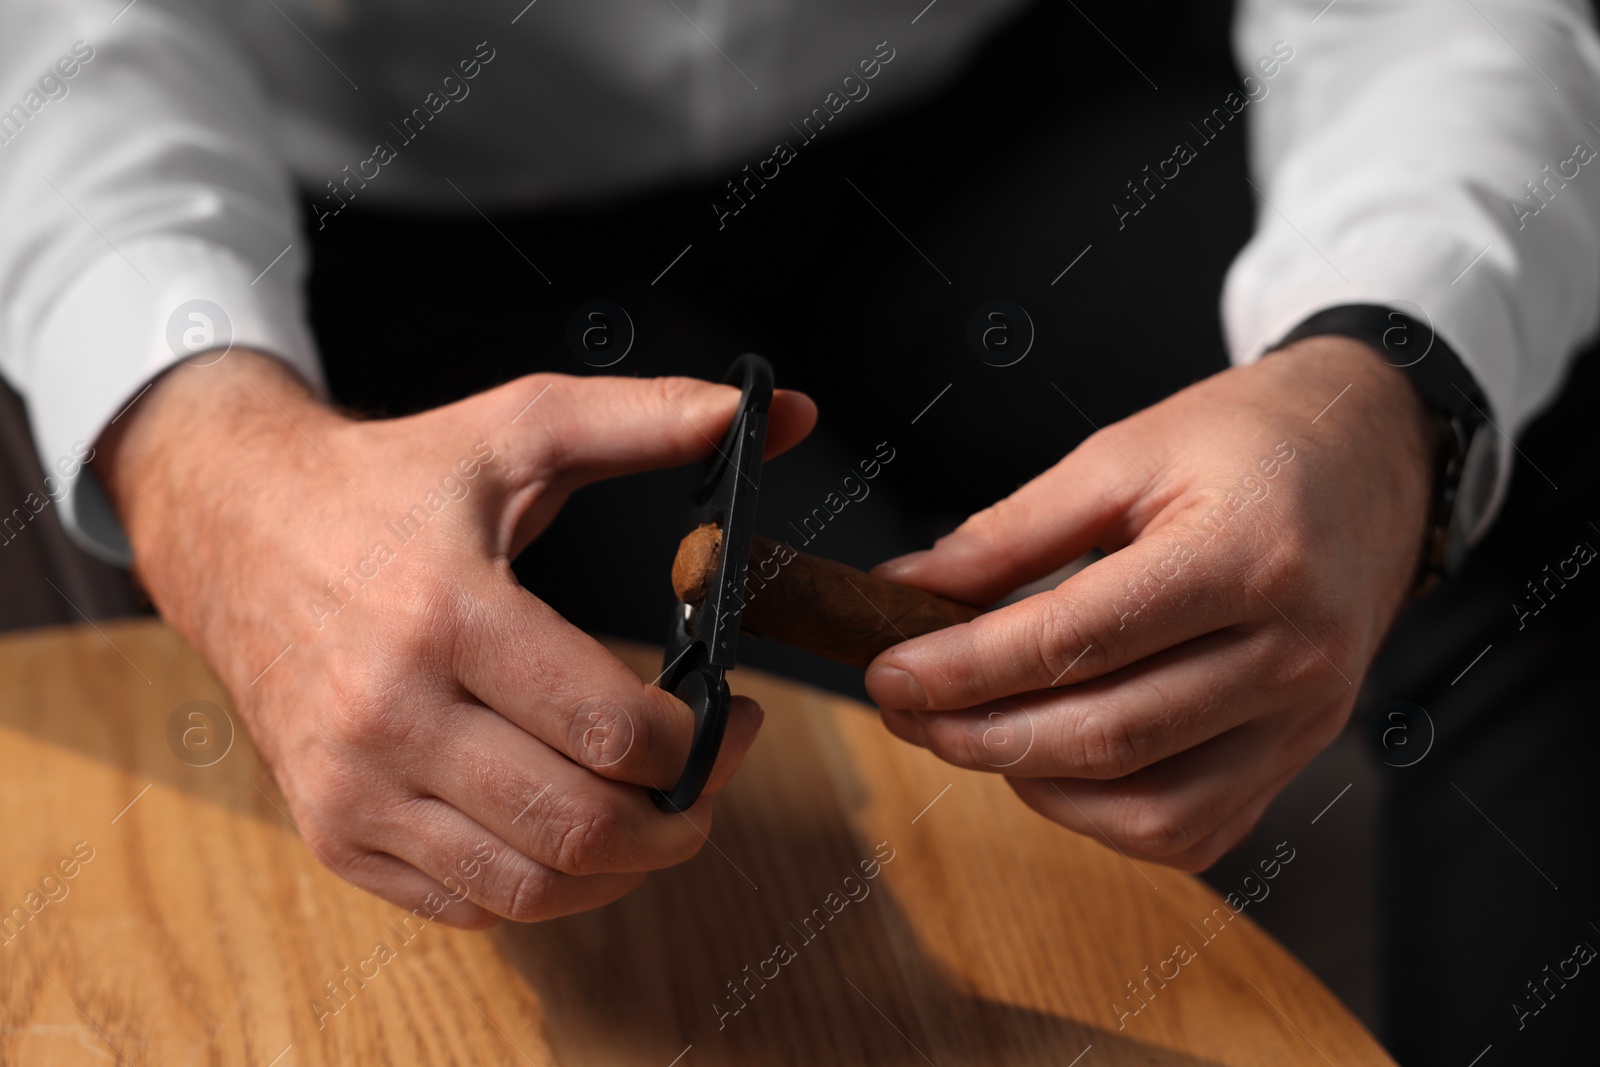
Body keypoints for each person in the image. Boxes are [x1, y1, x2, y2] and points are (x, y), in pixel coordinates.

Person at [3, 0, 1597, 1059]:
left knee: (1536, 441)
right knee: (715, 851)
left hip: (982, 88)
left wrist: (1396, 383)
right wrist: (206, 455)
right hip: (390, 199)